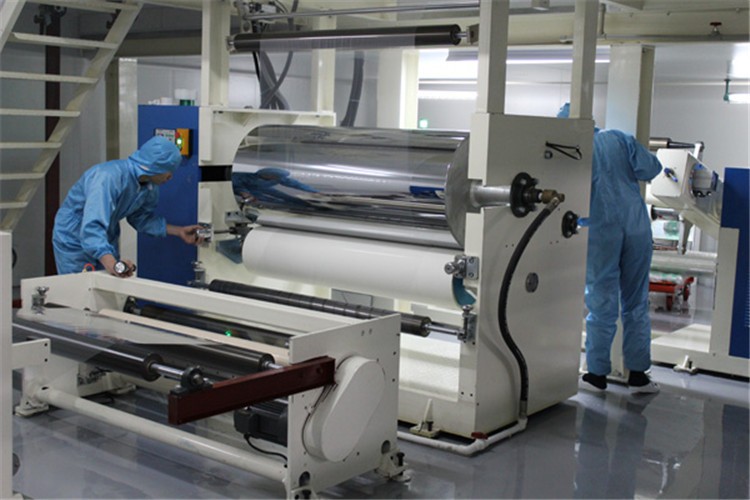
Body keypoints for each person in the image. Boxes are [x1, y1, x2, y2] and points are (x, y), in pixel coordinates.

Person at [558, 103, 663, 394]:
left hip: (599, 230)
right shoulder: (618, 138)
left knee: (601, 301)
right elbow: (652, 168)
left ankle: (597, 375)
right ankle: (638, 376)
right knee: (636, 301)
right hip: (636, 227)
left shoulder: (568, 150)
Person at [53, 136, 204, 278]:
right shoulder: (108, 178)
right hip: (74, 239)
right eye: (168, 171)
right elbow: (92, 225)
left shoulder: (148, 185)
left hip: (105, 237)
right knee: (80, 289)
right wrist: (112, 264)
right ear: (155, 167)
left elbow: (140, 219)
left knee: (106, 286)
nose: (170, 177)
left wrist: (179, 231)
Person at [232, 167, 317, 207]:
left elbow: (295, 184)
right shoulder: (245, 177)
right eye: (273, 177)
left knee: (284, 196)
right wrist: (245, 193)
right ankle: (284, 206)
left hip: (261, 188)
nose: (276, 178)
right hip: (250, 189)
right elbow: (236, 185)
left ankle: (306, 205)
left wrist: (314, 191)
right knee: (268, 199)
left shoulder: (277, 178)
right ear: (266, 175)